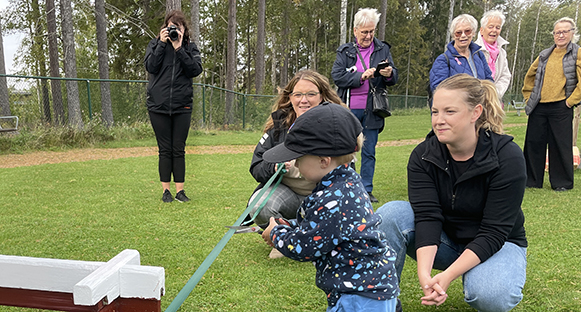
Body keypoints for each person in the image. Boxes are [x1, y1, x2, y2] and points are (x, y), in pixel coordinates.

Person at [376, 74, 527, 312]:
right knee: (390, 214)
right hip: (446, 241)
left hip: (497, 243)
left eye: (450, 112)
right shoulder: (423, 155)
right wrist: (425, 275)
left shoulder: (508, 157)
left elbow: (494, 231)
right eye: (435, 112)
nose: (439, 120)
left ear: (475, 113)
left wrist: (447, 276)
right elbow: (427, 216)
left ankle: (481, 276)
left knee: (490, 296)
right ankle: (384, 302)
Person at [261, 102, 399, 312]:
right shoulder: (345, 184)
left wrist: (277, 234)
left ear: (324, 161)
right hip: (368, 291)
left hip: (360, 298)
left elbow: (305, 247)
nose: (295, 165)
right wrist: (289, 224)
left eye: (299, 158)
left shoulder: (335, 198)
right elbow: (320, 225)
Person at [248, 70, 346, 257]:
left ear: (322, 96)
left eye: (311, 94)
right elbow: (256, 166)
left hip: (322, 196)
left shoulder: (337, 125)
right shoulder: (278, 127)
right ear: (290, 97)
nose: (304, 100)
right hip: (290, 195)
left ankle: (313, 239)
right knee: (259, 204)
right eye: (298, 94)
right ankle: (284, 239)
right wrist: (274, 167)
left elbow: (347, 173)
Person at [331, 7, 398, 203]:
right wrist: (361, 76)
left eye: (371, 31)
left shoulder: (383, 49)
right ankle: (349, 186)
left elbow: (395, 77)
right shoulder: (345, 51)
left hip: (373, 109)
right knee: (348, 150)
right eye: (364, 32)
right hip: (349, 108)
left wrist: (389, 74)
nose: (368, 36)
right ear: (355, 31)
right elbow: (338, 76)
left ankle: (366, 190)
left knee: (369, 150)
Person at [144, 10, 203, 203]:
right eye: (171, 27)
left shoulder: (190, 48)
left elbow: (195, 70)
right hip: (158, 106)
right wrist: (162, 44)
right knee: (164, 149)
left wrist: (180, 49)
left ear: (185, 30)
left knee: (179, 149)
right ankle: (165, 191)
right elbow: (151, 67)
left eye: (178, 27)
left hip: (182, 106)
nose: (174, 31)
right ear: (164, 28)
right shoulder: (155, 45)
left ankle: (180, 191)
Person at [522, 17, 581, 192]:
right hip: (539, 106)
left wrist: (571, 101)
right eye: (557, 32)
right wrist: (528, 98)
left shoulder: (577, 53)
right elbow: (529, 78)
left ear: (572, 33)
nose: (560, 35)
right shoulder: (544, 54)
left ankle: (562, 182)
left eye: (564, 31)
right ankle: (531, 180)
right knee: (534, 143)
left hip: (562, 106)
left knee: (560, 145)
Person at [429, 14, 493, 95]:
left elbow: (489, 82)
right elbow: (438, 91)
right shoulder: (443, 60)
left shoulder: (479, 55)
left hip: (479, 106)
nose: (463, 35)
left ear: (473, 33)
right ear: (453, 35)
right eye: (458, 33)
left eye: (467, 31)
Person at [475, 10, 511, 100]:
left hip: (494, 101)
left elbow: (505, 76)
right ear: (482, 30)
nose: (494, 30)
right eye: (490, 27)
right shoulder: (473, 50)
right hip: (475, 99)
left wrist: (495, 94)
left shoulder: (502, 53)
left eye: (497, 27)